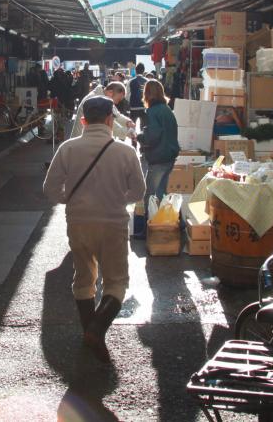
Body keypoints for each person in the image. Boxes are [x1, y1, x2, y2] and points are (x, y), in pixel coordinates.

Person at [43, 96, 146, 363]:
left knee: (84, 278)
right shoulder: (125, 151)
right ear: (111, 121)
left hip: (78, 221)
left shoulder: (68, 148)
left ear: (84, 121)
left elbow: (50, 189)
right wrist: (118, 198)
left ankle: (90, 333)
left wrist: (69, 198)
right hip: (113, 222)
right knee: (116, 282)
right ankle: (97, 330)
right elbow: (139, 191)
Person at [137, 79, 180, 210]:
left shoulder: (152, 111)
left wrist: (138, 136)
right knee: (161, 194)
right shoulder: (166, 109)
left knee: (149, 196)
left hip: (158, 158)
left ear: (147, 94)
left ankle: (147, 228)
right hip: (169, 156)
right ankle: (177, 224)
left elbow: (151, 137)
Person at [70, 81, 135, 140]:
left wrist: (127, 122)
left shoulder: (104, 97)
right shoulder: (94, 99)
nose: (117, 103)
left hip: (90, 138)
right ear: (110, 92)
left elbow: (116, 115)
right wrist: (126, 132)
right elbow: (106, 124)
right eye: (118, 99)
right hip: (82, 140)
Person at [128, 63, 149, 129]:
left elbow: (127, 95)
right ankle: (142, 139)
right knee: (143, 128)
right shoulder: (147, 81)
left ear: (135, 70)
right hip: (144, 108)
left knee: (132, 127)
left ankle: (133, 139)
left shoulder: (131, 81)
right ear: (143, 70)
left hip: (133, 107)